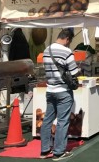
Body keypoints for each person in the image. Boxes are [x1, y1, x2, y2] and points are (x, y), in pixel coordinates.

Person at [40, 28, 79, 160]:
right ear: (67, 39)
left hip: (50, 90)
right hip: (63, 91)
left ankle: (44, 149)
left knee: (47, 120)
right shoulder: (67, 52)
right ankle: (59, 152)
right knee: (62, 121)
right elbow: (74, 72)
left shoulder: (46, 50)